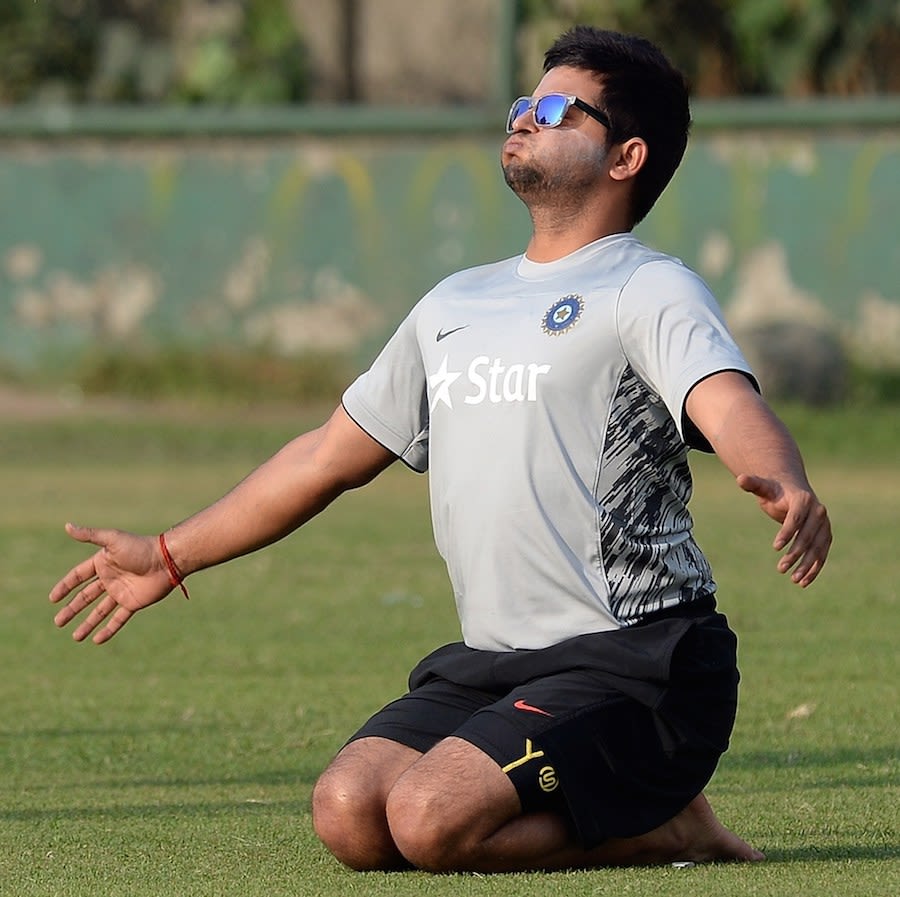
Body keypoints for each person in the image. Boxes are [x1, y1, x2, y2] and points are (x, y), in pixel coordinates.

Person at [49, 26, 832, 873]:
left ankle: (668, 825)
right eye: (523, 105)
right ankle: (639, 815)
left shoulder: (643, 287)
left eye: (556, 108)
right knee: (350, 814)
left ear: (626, 155)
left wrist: (782, 477)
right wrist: (170, 554)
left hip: (637, 663)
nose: (525, 119)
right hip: (496, 664)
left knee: (427, 821)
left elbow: (726, 400)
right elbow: (323, 459)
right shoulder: (454, 303)